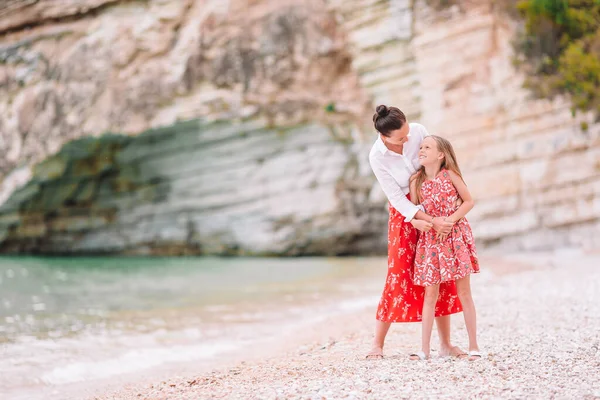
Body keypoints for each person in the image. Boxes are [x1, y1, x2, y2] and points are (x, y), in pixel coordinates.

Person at [366, 105, 464, 360]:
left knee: (441, 272)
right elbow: (395, 196)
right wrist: (419, 218)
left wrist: (440, 211)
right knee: (398, 274)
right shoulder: (377, 156)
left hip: (432, 202)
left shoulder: (418, 131)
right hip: (404, 214)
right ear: (385, 137)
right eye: (401, 137)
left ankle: (445, 344)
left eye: (408, 132)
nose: (408, 139)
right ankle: (377, 344)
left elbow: (436, 166)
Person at [409, 135, 481, 361]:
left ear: (441, 155)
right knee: (430, 294)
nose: (421, 150)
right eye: (420, 147)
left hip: (455, 237)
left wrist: (450, 221)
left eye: (427, 147)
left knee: (464, 292)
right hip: (430, 242)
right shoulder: (415, 181)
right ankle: (424, 349)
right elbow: (413, 213)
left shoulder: (450, 175)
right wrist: (421, 223)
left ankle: (474, 346)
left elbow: (468, 201)